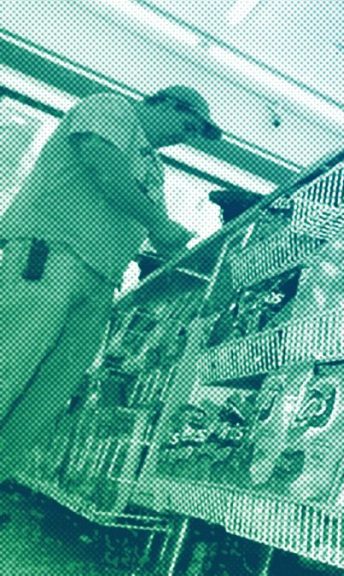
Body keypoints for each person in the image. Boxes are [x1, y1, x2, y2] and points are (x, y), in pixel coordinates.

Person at [0, 85, 222, 482]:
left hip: (101, 282)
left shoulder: (154, 169)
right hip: (52, 255)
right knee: (9, 364)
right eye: (188, 125)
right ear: (167, 103)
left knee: (47, 393)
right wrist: (158, 223)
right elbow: (103, 165)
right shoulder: (111, 109)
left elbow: (159, 237)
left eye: (193, 136)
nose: (184, 138)